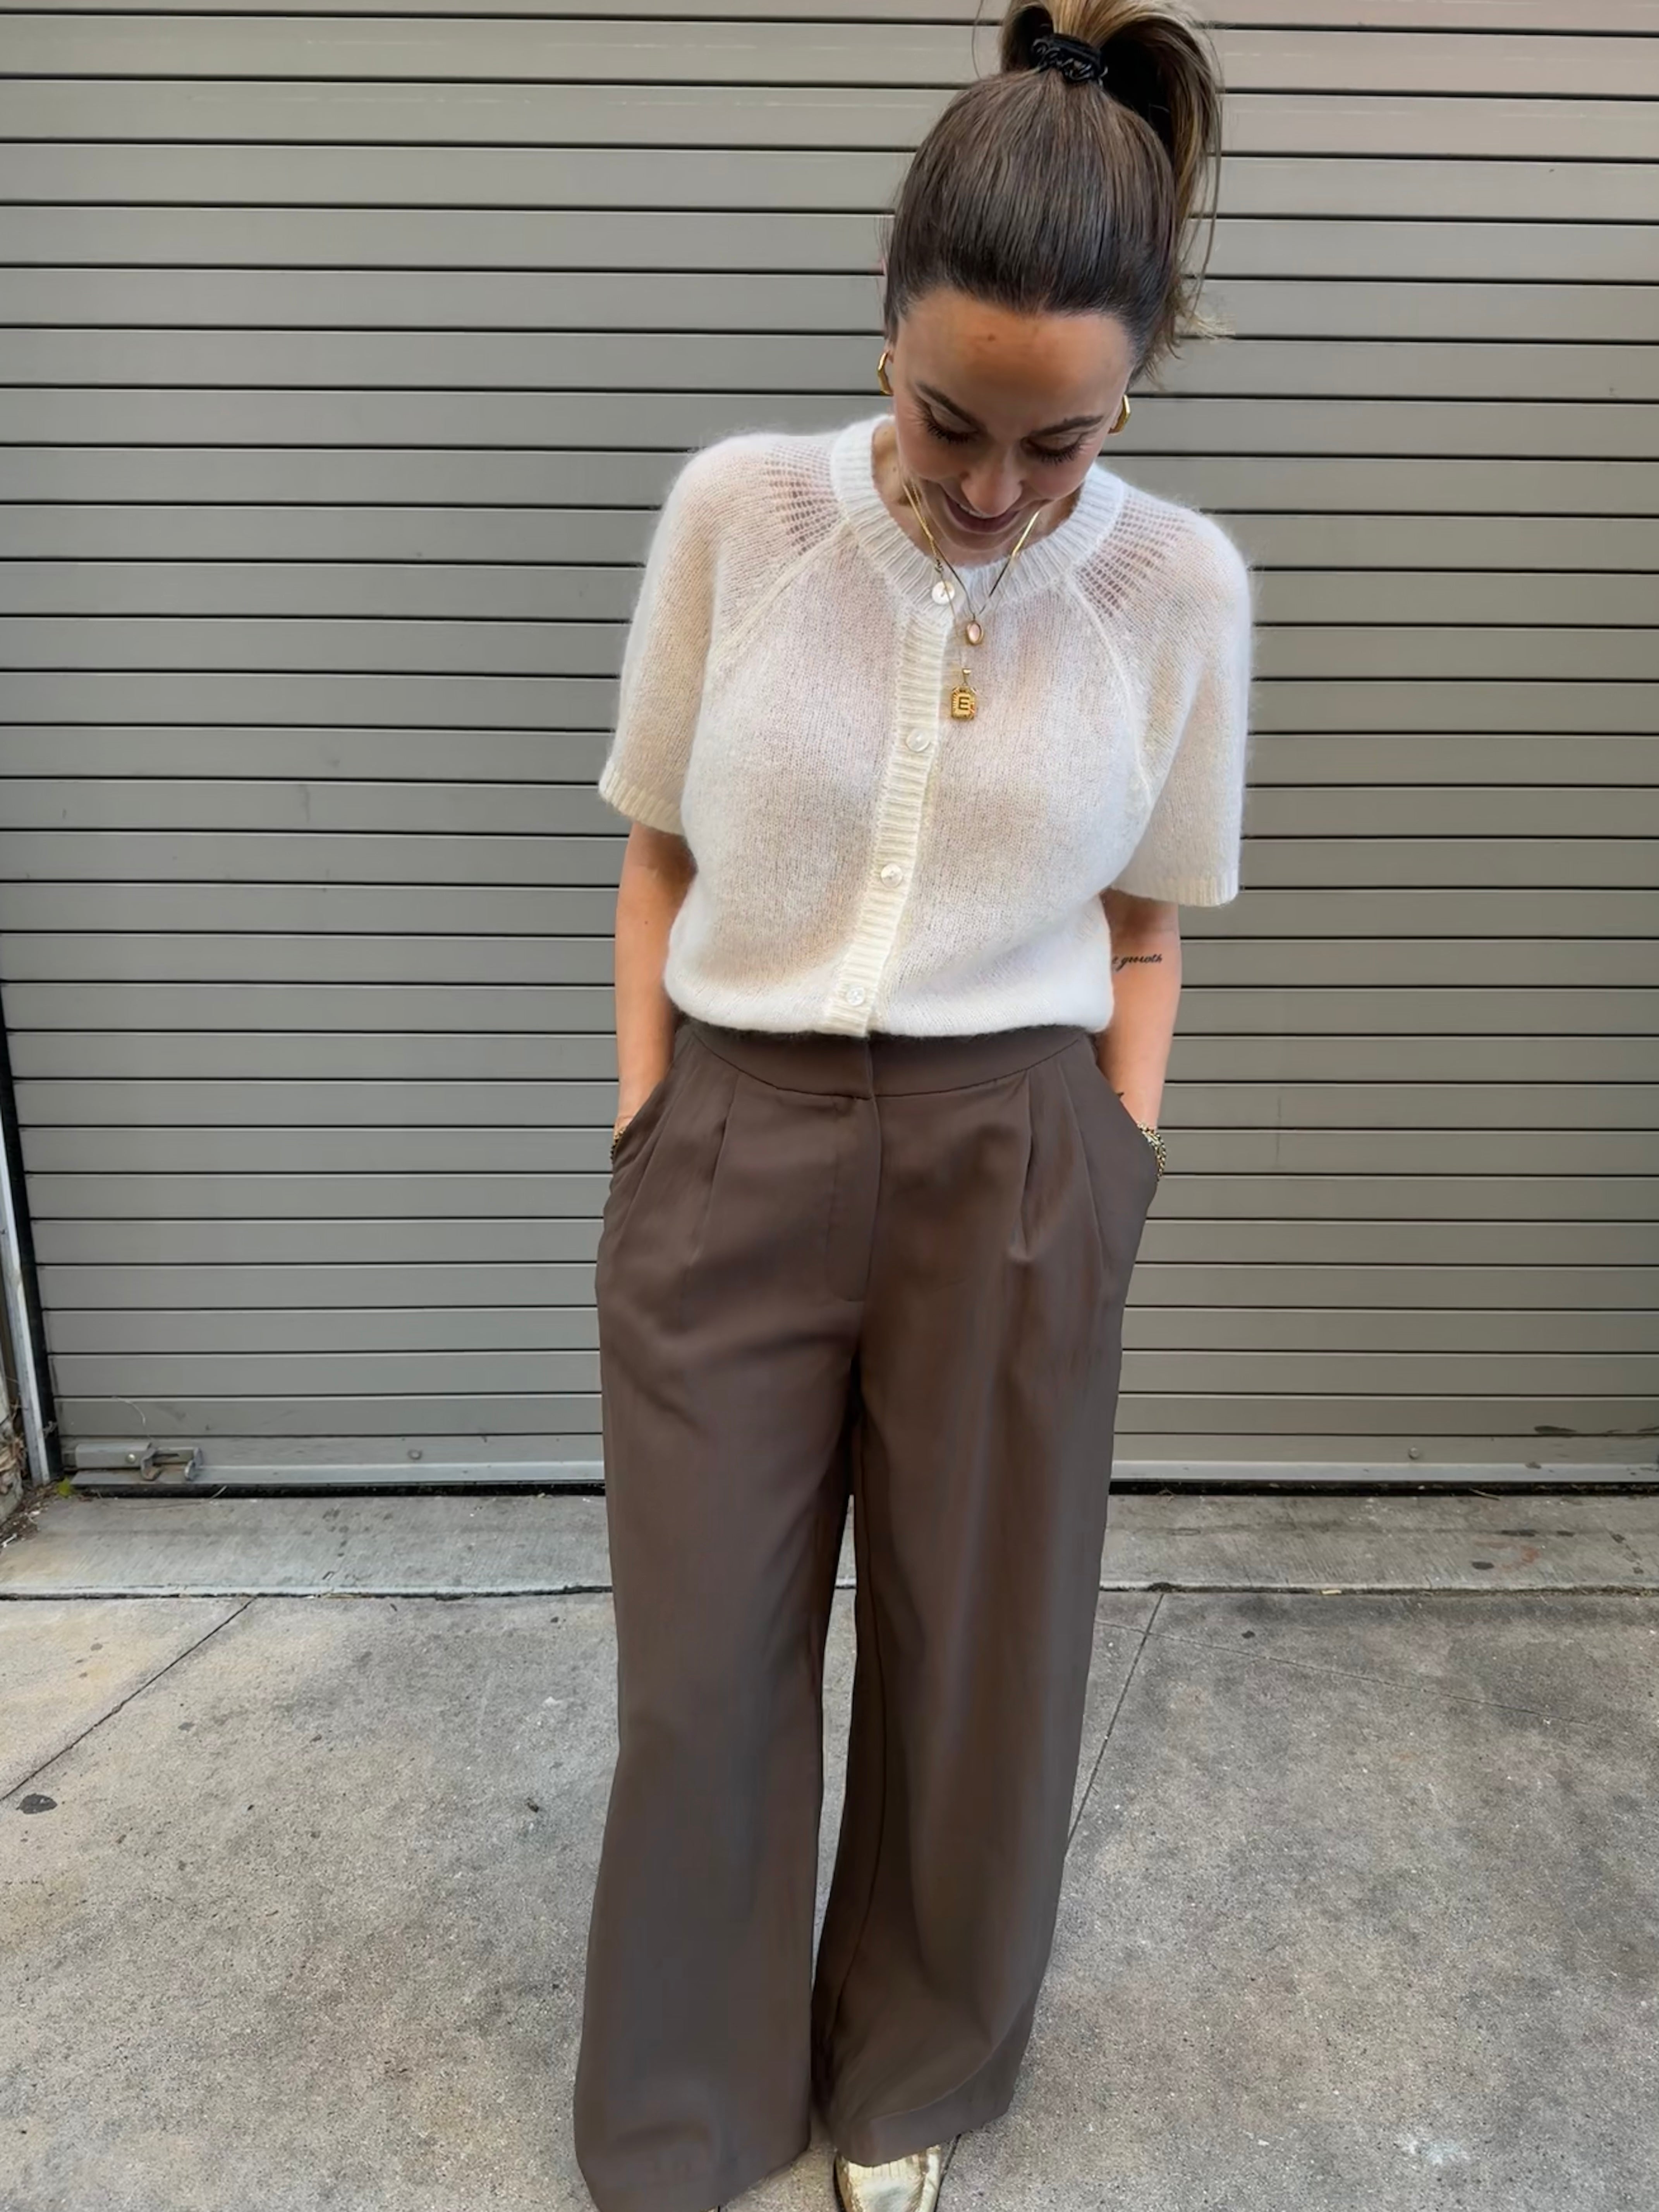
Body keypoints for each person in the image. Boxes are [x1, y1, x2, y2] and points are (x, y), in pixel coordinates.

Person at [573, 3, 1250, 2208]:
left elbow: (1153, 925)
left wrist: (1116, 1169)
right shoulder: (737, 516)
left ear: (1131, 394)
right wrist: (649, 1120)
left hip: (1020, 1163)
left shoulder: (1176, 592)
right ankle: (693, 2110)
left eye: (1061, 446)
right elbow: (657, 847)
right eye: (955, 418)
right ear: (885, 318)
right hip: (735, 1139)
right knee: (700, 1676)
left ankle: (913, 2087)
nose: (993, 490)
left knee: (984, 1674)